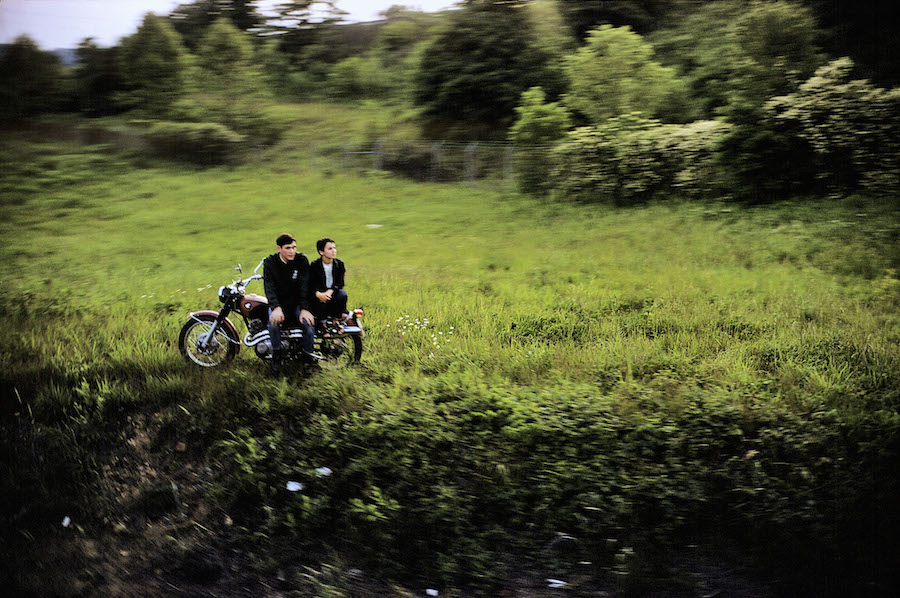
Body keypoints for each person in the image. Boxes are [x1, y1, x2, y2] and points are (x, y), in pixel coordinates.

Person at [263, 233, 319, 374]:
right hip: (280, 304)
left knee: (308, 325)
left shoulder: (301, 260)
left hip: (298, 303)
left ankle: (308, 360)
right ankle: (277, 356)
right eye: (288, 248)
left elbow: (305, 286)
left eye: (294, 247)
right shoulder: (270, 262)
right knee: (273, 324)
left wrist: (305, 308)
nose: (292, 251)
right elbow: (269, 287)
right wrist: (276, 307)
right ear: (279, 248)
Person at [308, 237, 349, 326]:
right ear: (321, 252)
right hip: (319, 295)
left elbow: (340, 283)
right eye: (330, 249)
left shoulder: (339, 265)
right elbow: (312, 284)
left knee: (342, 294)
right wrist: (319, 294)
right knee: (318, 300)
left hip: (333, 293)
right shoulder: (314, 265)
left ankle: (336, 319)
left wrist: (330, 291)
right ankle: (322, 323)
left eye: (334, 248)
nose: (333, 251)